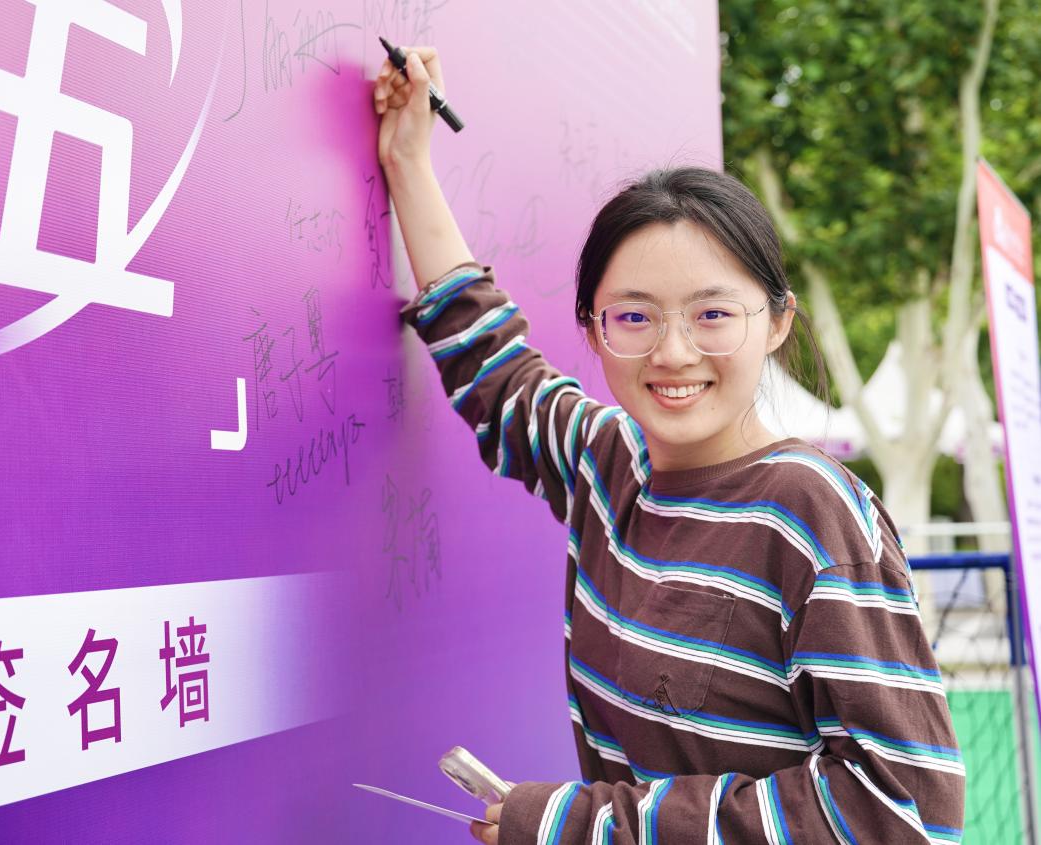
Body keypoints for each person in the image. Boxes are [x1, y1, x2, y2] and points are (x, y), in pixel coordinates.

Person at [372, 46, 965, 844]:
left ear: (777, 320)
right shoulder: (608, 464)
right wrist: (407, 159)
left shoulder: (810, 513)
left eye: (712, 314)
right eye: (634, 316)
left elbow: (901, 810)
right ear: (593, 330)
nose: (673, 352)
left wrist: (579, 823)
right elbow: (496, 372)